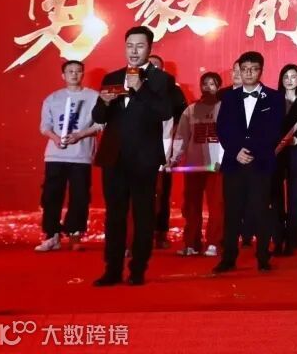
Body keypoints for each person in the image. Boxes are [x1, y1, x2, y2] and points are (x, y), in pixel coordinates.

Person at [91, 26, 174, 287]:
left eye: (139, 46)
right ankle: (112, 269)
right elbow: (98, 117)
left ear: (150, 48)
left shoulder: (161, 79)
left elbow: (165, 112)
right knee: (114, 216)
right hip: (114, 156)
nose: (134, 51)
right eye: (129, 45)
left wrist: (141, 89)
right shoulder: (113, 77)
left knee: (143, 216)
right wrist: (104, 102)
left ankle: (138, 269)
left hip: (144, 158)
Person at [212, 51, 284, 274]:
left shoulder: (274, 97)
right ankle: (228, 258)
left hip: (260, 163)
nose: (249, 73)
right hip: (234, 163)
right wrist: (236, 151)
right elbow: (222, 128)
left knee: (261, 211)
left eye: (253, 69)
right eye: (244, 69)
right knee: (232, 212)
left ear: (261, 71)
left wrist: (252, 152)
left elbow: (275, 130)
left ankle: (263, 257)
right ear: (239, 71)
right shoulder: (229, 97)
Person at [35, 60, 99, 253]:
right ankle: (52, 235)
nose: (74, 74)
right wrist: (55, 138)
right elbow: (45, 126)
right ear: (63, 75)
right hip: (55, 156)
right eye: (70, 71)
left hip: (81, 155)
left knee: (80, 196)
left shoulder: (93, 97)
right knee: (51, 196)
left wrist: (79, 135)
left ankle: (75, 234)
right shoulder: (53, 98)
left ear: (83, 74)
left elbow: (100, 124)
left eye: (78, 71)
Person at [169, 72, 224, 258]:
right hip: (193, 166)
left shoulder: (226, 109)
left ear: (219, 87)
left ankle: (214, 242)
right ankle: (191, 243)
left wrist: (224, 159)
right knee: (191, 206)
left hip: (216, 166)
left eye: (212, 84)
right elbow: (181, 137)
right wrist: (175, 158)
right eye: (205, 84)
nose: (208, 87)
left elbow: (231, 138)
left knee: (217, 206)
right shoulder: (190, 110)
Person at [147, 54, 188, 250]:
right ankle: (140, 233)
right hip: (138, 151)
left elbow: (182, 119)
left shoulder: (173, 90)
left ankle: (160, 233)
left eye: (157, 66)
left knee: (161, 194)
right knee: (140, 194)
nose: (153, 69)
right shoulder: (133, 87)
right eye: (150, 65)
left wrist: (175, 149)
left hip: (164, 150)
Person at [272, 65, 297, 257]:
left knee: (295, 198)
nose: (289, 80)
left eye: (293, 76)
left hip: (296, 153)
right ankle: (277, 239)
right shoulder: (273, 100)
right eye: (286, 76)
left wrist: (296, 140)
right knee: (276, 197)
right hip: (276, 153)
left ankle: (291, 241)